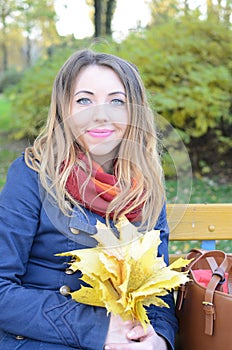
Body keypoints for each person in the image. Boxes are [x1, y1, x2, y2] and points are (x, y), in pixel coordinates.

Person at [0, 49, 178, 350]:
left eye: (116, 101)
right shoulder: (32, 173)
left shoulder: (146, 183)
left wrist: (157, 340)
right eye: (84, 100)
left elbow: (157, 289)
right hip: (39, 339)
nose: (100, 114)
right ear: (64, 110)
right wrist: (97, 329)